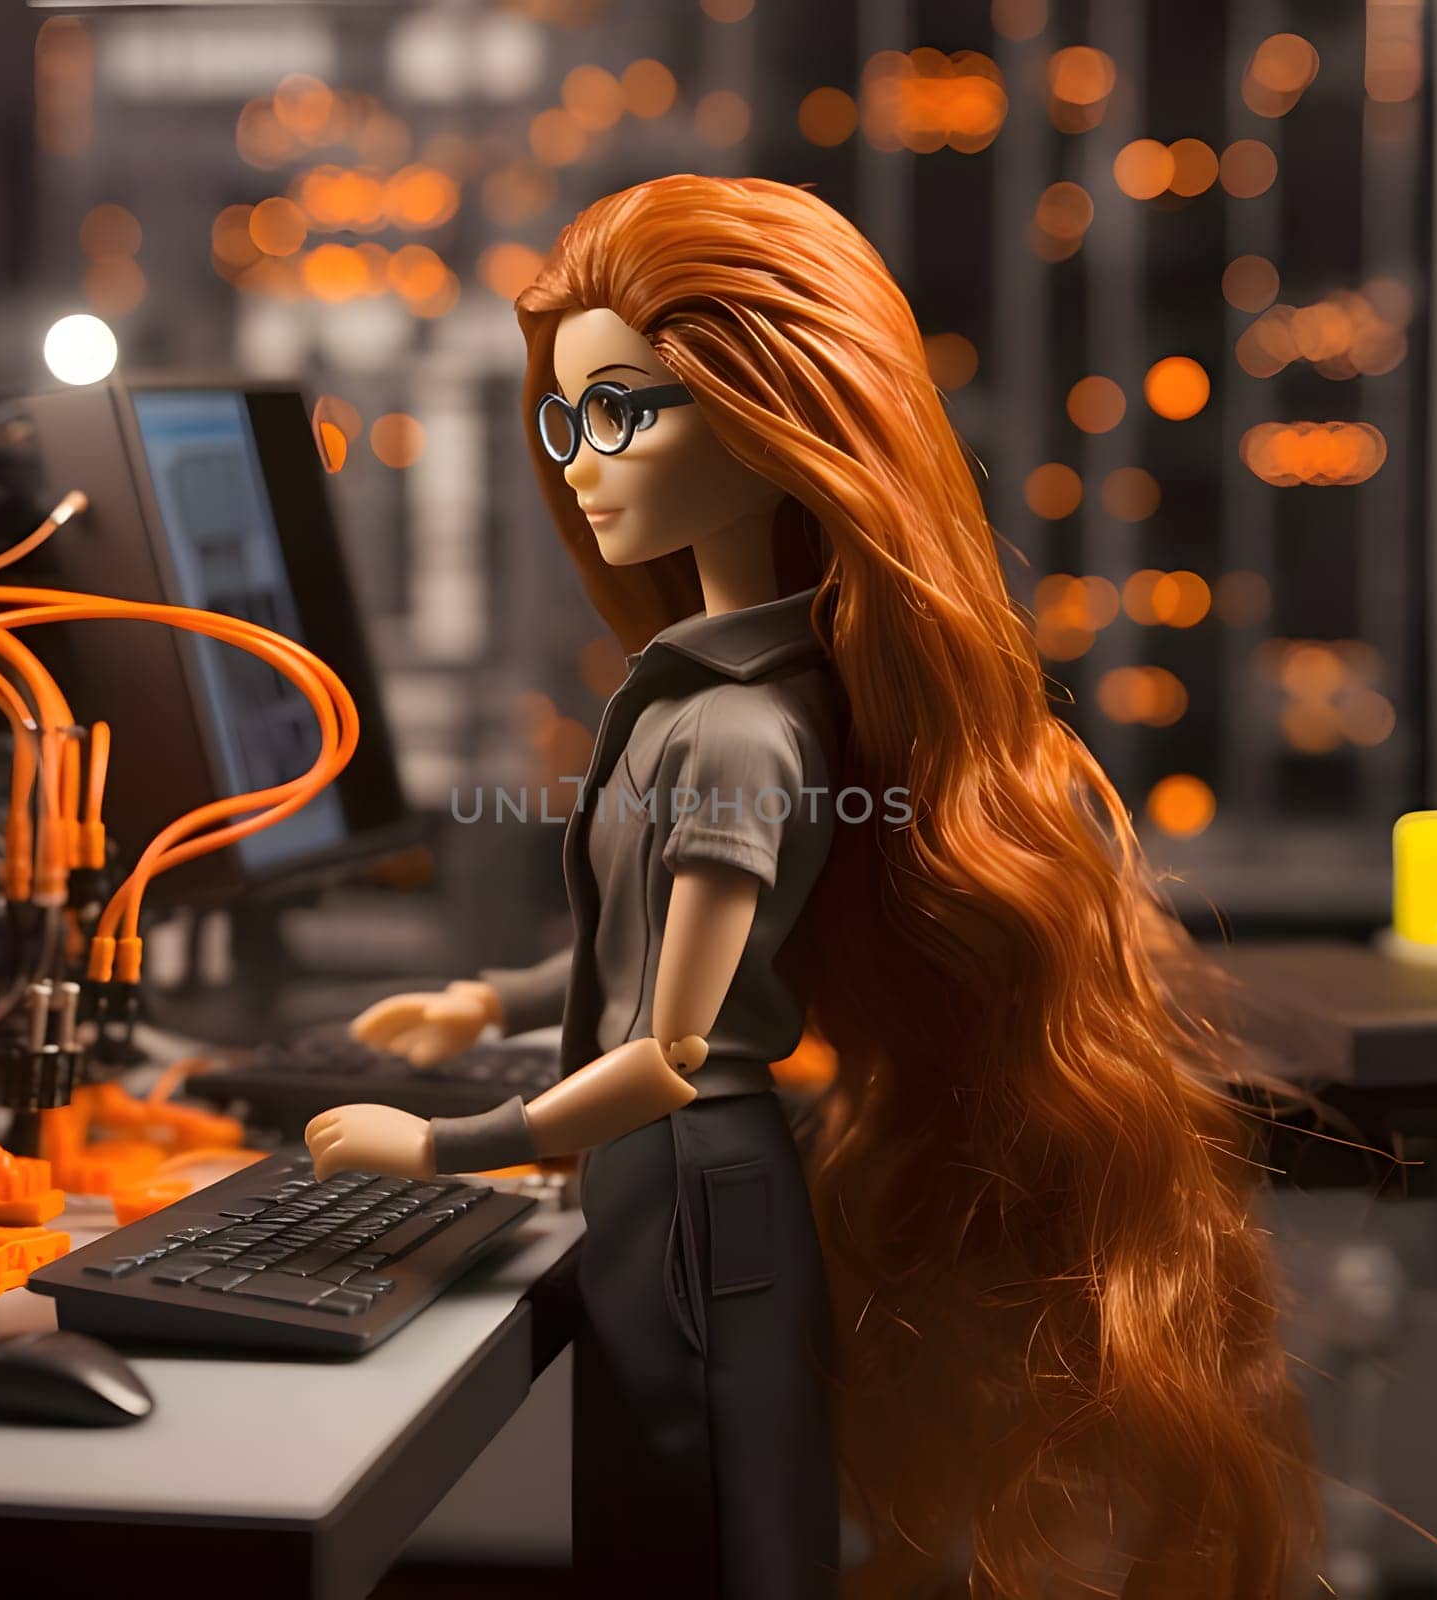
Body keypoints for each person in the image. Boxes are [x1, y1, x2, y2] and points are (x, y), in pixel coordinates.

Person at [306, 174, 1318, 1598]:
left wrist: (437, 1150)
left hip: (694, 1191)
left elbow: (668, 1050)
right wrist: (489, 997)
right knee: (660, 1508)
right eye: (566, 418)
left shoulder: (738, 723)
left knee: (711, 1515)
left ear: (772, 419)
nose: (583, 464)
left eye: (623, 413)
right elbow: (640, 943)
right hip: (654, 1185)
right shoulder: (690, 695)